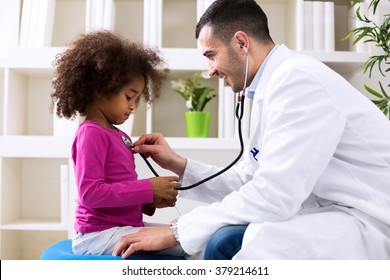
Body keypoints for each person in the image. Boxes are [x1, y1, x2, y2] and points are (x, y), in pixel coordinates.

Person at [112, 0, 390, 259]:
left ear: (241, 42)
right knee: (229, 238)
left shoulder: (298, 81)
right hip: (334, 213)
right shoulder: (274, 84)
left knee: (250, 241)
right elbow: (252, 180)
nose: (209, 70)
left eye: (211, 55)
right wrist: (180, 166)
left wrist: (175, 231)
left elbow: (274, 194)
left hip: (371, 219)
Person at [50, 30, 184, 257]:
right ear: (100, 89)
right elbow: (91, 194)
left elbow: (117, 191)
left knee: (187, 237)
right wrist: (148, 187)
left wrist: (149, 201)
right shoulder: (91, 134)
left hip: (117, 228)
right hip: (96, 236)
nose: (133, 106)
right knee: (184, 246)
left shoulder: (117, 134)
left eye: (137, 99)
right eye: (129, 96)